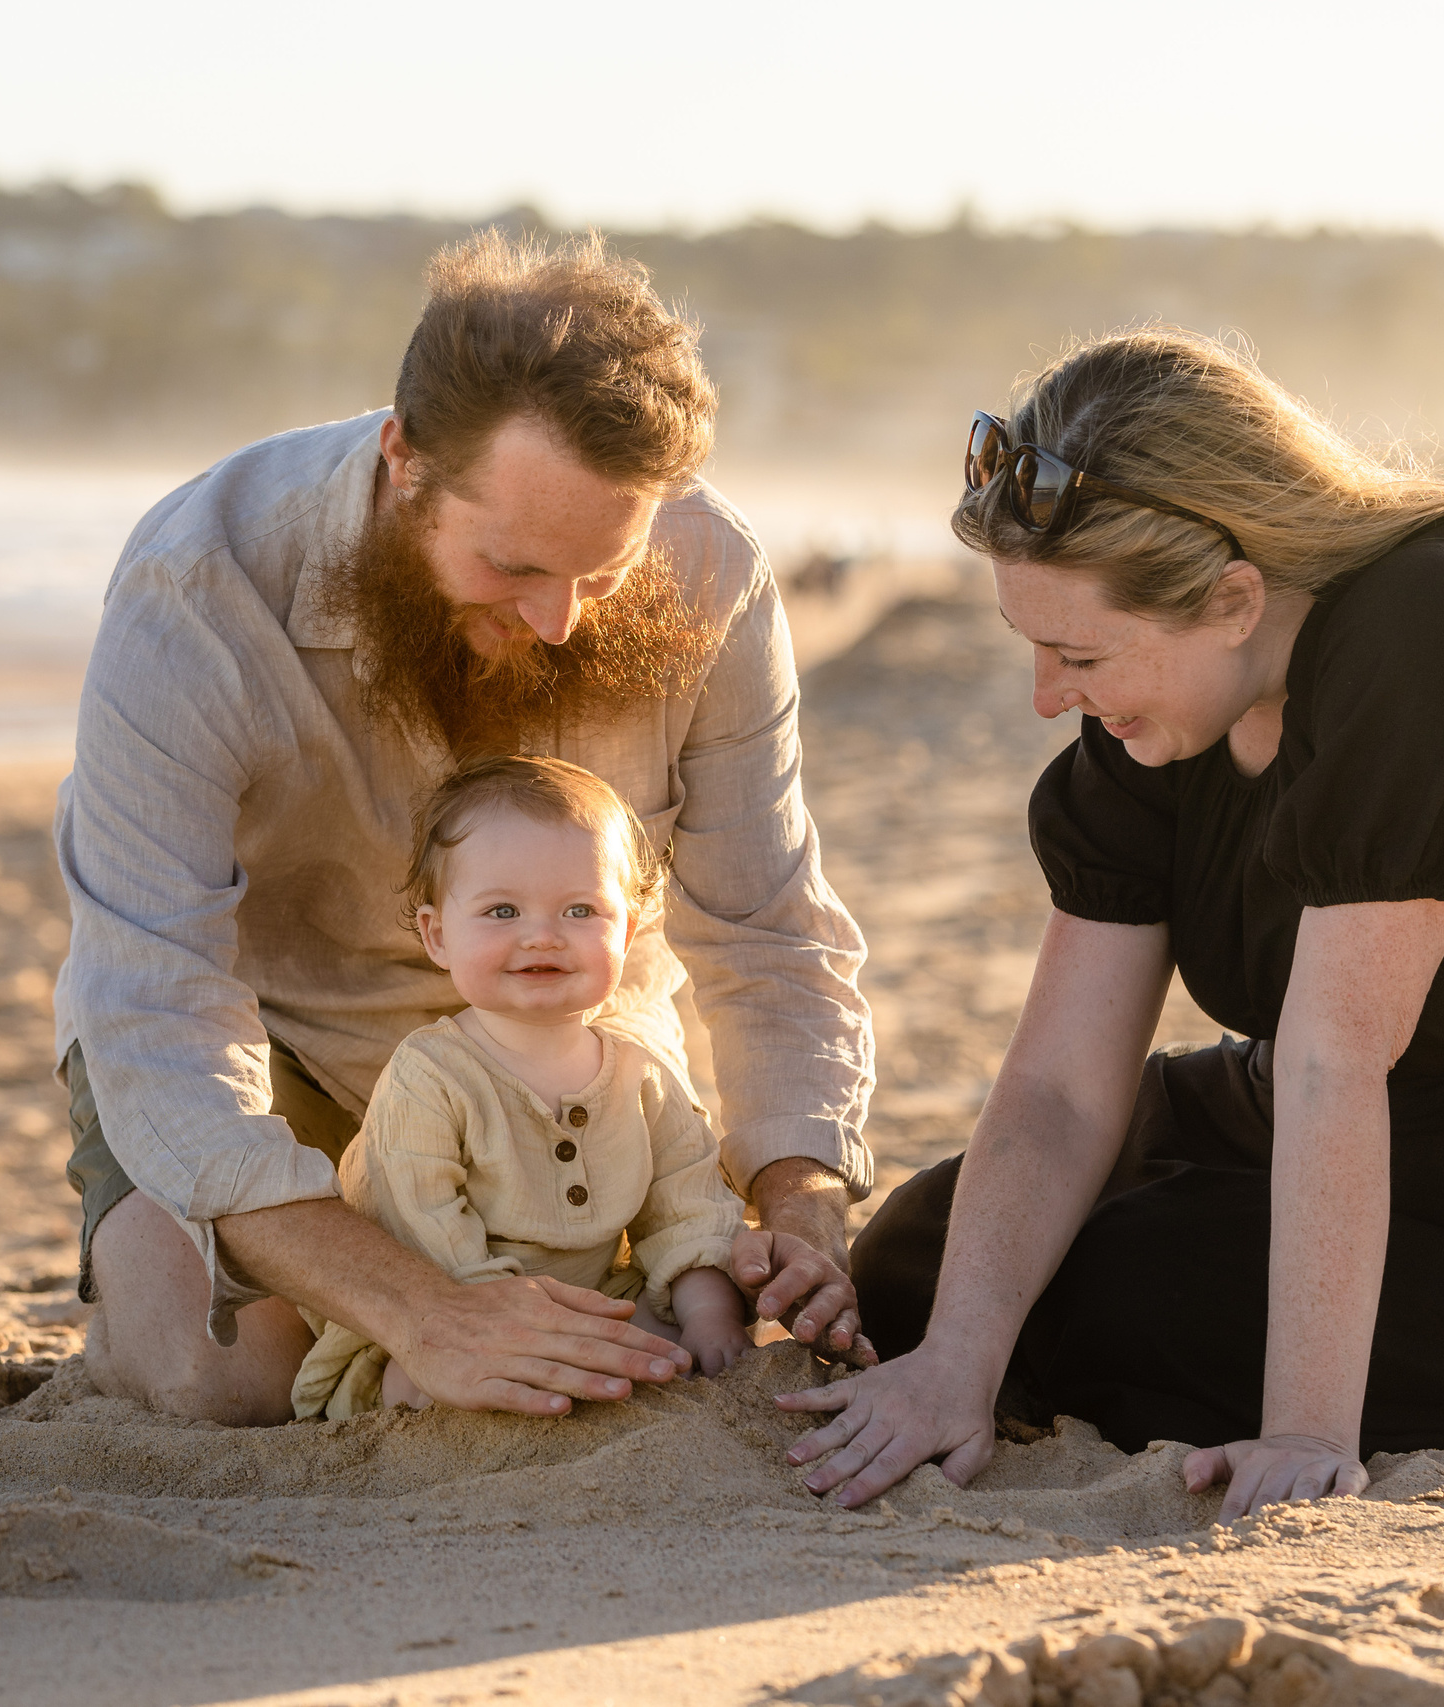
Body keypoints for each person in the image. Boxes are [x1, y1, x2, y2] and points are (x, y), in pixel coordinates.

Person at [778, 329, 1444, 1520]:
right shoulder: (1165, 712)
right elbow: (1061, 1090)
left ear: (1236, 596)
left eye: (1076, 653)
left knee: (1113, 1301)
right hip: (1370, 1110)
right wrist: (952, 1374)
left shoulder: (1439, 634)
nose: (1047, 697)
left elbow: (1341, 1057)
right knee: (922, 1273)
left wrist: (1302, 1432)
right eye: (1034, 649)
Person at [54, 230, 875, 1428]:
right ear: (405, 462)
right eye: (513, 566)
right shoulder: (200, 588)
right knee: (230, 1384)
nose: (557, 622)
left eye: (601, 573)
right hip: (268, 1039)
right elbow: (156, 1003)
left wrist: (800, 1212)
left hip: (572, 1036)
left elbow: (766, 931)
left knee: (649, 1344)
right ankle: (136, 1272)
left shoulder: (716, 573)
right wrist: (422, 1309)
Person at [293, 755, 751, 1419]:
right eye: (502, 910)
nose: (542, 934)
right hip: (454, 1314)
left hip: (597, 1297)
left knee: (671, 1343)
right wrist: (499, 1326)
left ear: (625, 930)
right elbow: (421, 1224)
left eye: (580, 908)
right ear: (438, 934)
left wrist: (709, 1311)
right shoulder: (430, 1077)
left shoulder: (640, 1072)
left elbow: (686, 1202)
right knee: (408, 1388)